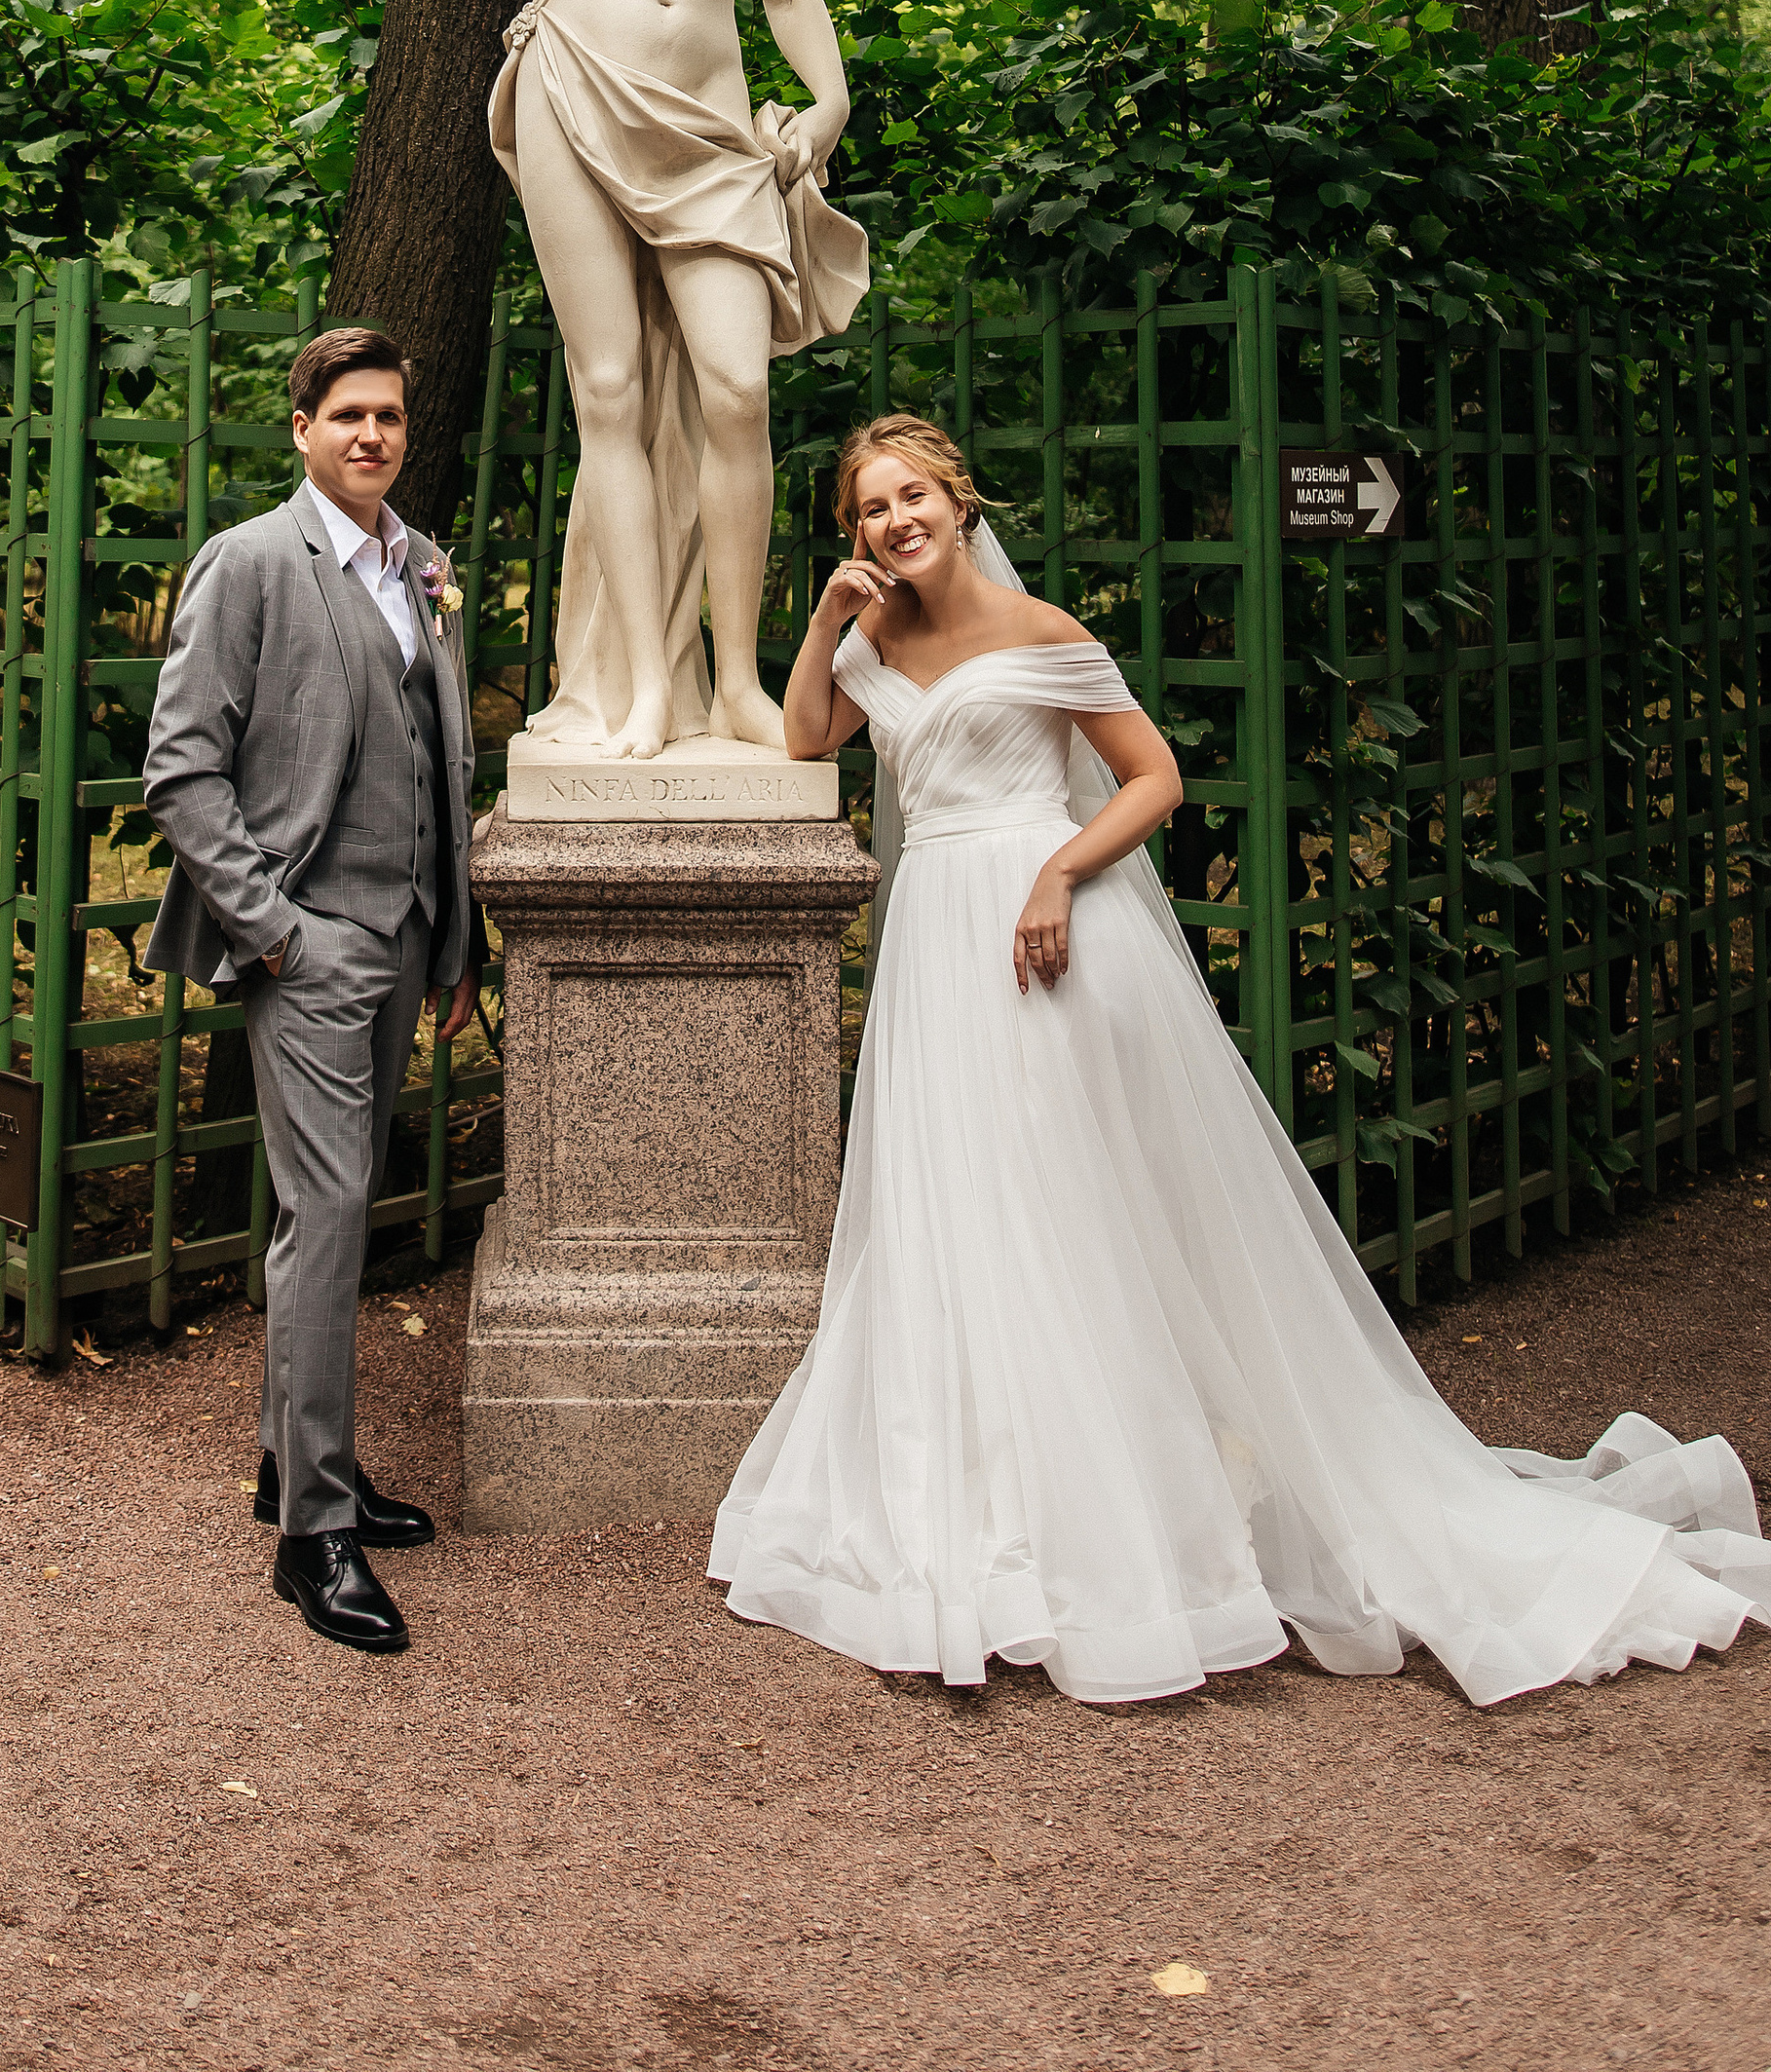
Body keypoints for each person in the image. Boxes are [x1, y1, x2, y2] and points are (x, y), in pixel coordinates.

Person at [708, 409, 1771, 1706]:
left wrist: (1058, 868)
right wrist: (822, 622)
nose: (896, 522)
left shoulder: (1045, 638)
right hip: (932, 939)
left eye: (912, 497)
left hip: (1041, 934)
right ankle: (982, 1520)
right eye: (871, 509)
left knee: (1060, 1210)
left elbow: (1154, 779)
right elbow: (808, 737)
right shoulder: (874, 637)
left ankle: (1122, 1526)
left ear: (958, 500)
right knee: (949, 1210)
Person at [443, 0, 867, 759]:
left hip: (714, 135)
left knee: (739, 390)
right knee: (612, 395)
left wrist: (826, 102)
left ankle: (733, 678)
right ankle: (639, 689)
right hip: (573, 96)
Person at [143, 327, 479, 1654]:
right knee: (331, 1215)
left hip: (402, 944)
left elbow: (439, 760)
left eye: (389, 416)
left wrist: (449, 940)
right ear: (301, 427)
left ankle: (298, 1467)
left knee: (332, 1211)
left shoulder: (424, 565)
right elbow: (181, 769)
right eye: (347, 415)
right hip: (310, 942)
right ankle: (313, 1539)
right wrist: (278, 932)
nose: (371, 437)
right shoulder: (252, 564)